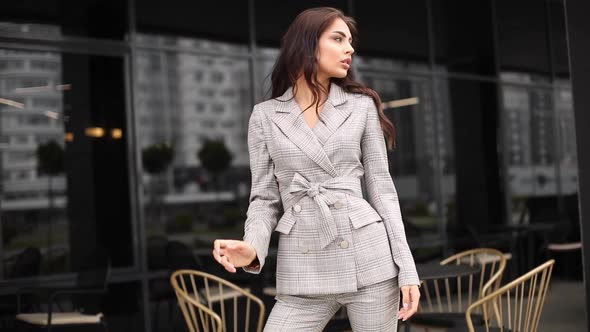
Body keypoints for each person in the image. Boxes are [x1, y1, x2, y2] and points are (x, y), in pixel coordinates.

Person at [213, 7, 420, 331]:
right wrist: (252, 247)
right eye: (338, 39)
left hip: (370, 261)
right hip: (304, 266)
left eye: (350, 41)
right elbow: (264, 199)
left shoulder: (362, 106)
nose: (349, 48)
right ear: (307, 44)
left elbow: (382, 189)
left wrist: (407, 267)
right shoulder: (265, 117)